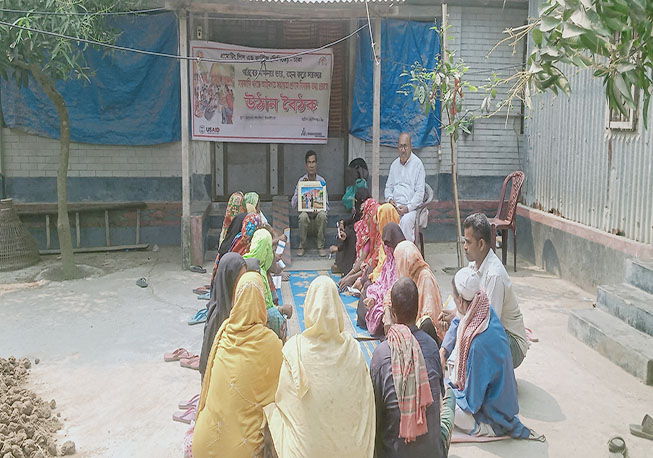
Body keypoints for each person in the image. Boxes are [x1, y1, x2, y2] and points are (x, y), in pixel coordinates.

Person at [264, 276, 375, 458]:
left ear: (308, 307)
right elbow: (366, 399)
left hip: (306, 454)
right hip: (354, 452)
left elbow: (283, 400)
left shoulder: (294, 349)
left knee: (272, 414)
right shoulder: (353, 348)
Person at [192, 272, 283, 458]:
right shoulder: (271, 342)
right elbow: (282, 393)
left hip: (203, 446)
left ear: (237, 299)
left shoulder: (224, 332)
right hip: (244, 452)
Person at [441, 268, 532, 439]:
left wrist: (450, 391)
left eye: (454, 300)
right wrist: (444, 350)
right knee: (446, 387)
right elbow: (457, 321)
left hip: (494, 418)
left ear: (460, 301)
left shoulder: (477, 343)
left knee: (443, 403)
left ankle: (479, 428)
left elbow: (472, 403)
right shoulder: (484, 310)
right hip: (503, 406)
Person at [370, 278, 448, 458]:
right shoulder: (431, 346)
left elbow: (375, 413)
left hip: (393, 452)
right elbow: (440, 394)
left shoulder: (381, 354)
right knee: (449, 405)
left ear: (393, 314)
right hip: (432, 453)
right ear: (418, 308)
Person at [440, 213, 528, 368]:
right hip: (493, 330)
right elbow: (464, 304)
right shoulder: (473, 265)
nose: (465, 247)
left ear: (481, 244)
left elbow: (488, 323)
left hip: (511, 342)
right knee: (452, 308)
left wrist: (459, 316)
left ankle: (498, 381)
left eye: (468, 242)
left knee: (476, 341)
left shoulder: (494, 275)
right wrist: (454, 315)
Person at [199, 253, 246, 379]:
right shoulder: (218, 318)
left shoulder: (239, 308)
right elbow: (207, 366)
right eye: (239, 281)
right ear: (229, 282)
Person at [243, 229, 292, 340]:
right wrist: (279, 311)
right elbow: (263, 313)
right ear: (266, 252)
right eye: (271, 250)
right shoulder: (257, 275)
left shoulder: (246, 264)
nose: (273, 254)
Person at [390, 241, 444, 340]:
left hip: (426, 333)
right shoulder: (409, 275)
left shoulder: (425, 278)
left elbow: (428, 320)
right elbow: (390, 295)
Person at [362, 223, 405, 336]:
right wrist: (373, 298)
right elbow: (381, 282)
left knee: (381, 316)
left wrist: (386, 307)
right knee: (366, 294)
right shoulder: (389, 261)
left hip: (395, 305)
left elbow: (397, 290)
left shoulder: (402, 262)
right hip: (384, 300)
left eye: (387, 244)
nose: (384, 247)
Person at [384, 133, 426, 243]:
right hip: (395, 207)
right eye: (400, 146)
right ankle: (388, 255)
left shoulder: (418, 165)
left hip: (410, 209)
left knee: (406, 222)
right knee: (382, 214)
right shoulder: (394, 165)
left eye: (405, 146)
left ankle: (405, 255)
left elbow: (420, 193)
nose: (403, 150)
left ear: (411, 147)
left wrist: (407, 208)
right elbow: (388, 187)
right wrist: (390, 199)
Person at [291, 151, 329, 257]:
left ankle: (320, 246)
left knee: (323, 215)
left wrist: (321, 208)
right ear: (306, 165)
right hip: (307, 217)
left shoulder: (321, 181)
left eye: (313, 162)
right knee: (302, 216)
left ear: (316, 164)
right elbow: (293, 204)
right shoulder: (301, 181)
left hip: (317, 218)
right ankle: (302, 245)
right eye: (309, 162)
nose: (311, 165)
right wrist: (301, 188)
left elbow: (326, 204)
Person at [338, 197, 380, 291]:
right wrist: (349, 276)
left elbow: (373, 266)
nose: (367, 219)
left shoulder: (381, 237)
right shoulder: (366, 230)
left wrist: (351, 277)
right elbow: (363, 260)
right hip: (365, 269)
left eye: (370, 216)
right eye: (367, 216)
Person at [330, 187, 370, 275]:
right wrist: (343, 222)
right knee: (344, 231)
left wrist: (346, 234)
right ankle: (340, 264)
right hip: (359, 232)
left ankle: (348, 268)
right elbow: (355, 219)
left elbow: (361, 227)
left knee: (350, 236)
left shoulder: (369, 212)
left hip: (366, 237)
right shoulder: (359, 210)